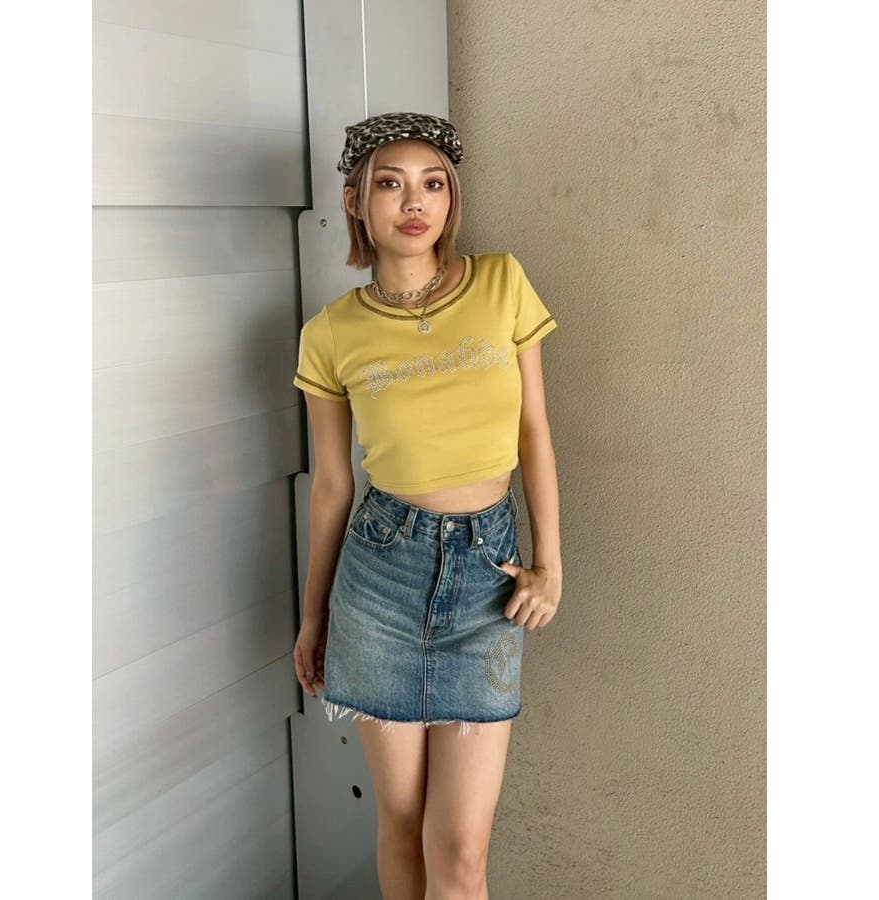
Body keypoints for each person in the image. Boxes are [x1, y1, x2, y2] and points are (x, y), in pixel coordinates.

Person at [292, 111, 563, 899]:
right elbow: (334, 484)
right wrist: (314, 615)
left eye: (433, 184)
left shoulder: (503, 283)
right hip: (378, 580)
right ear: (356, 202)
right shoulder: (331, 334)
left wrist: (550, 563)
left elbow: (535, 430)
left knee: (462, 851)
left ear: (451, 199)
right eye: (391, 184)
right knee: (403, 824)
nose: (415, 203)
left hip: (487, 579)